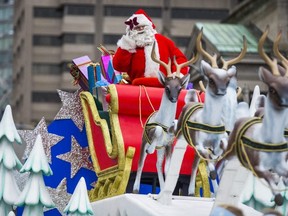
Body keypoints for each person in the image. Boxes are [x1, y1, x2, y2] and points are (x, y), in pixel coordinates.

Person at [112, 9, 189, 87]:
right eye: (138, 27)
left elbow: (180, 59)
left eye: (143, 26)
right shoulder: (129, 45)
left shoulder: (164, 41)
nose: (141, 29)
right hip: (138, 88)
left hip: (164, 86)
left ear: (149, 27)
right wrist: (126, 44)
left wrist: (176, 76)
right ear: (132, 30)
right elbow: (119, 66)